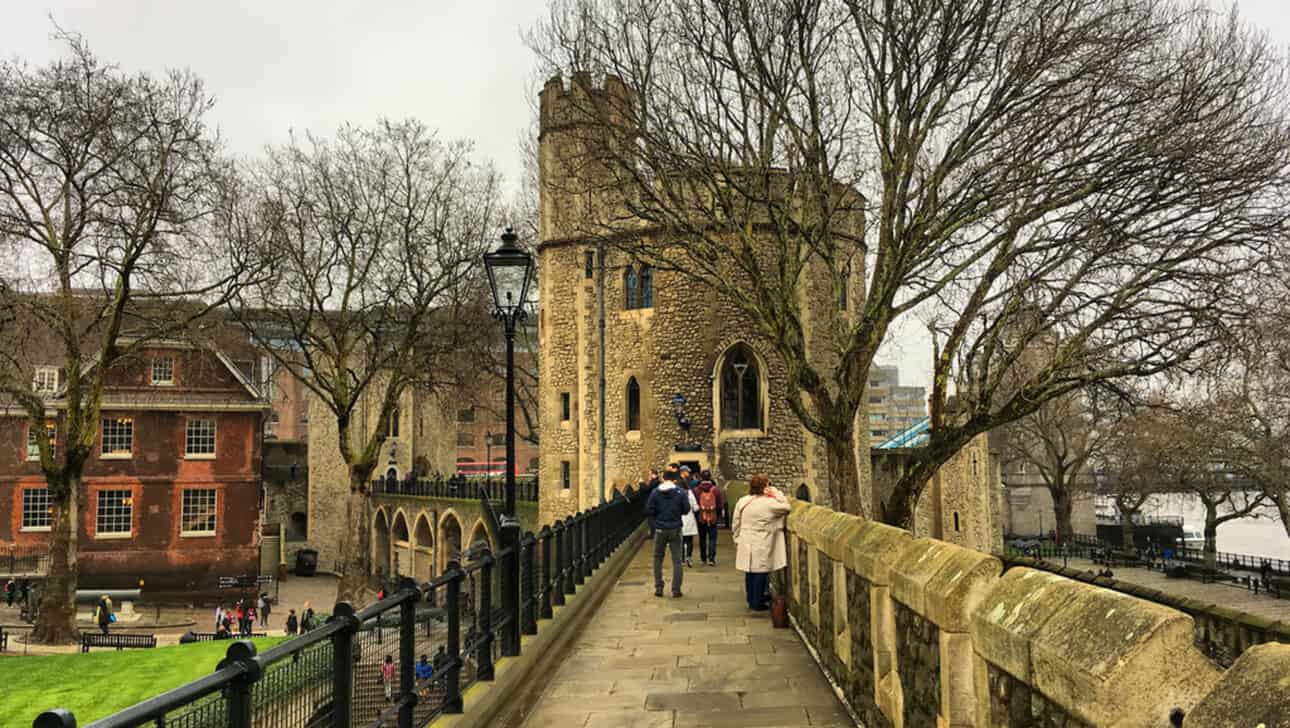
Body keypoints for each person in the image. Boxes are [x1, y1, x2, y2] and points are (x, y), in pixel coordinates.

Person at [733, 474, 791, 611]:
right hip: (762, 539)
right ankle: (756, 602)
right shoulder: (769, 503)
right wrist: (775, 492)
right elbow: (786, 507)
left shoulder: (743, 501)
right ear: (765, 487)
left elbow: (736, 522)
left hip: (746, 538)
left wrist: (736, 538)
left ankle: (750, 597)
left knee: (749, 570)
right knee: (760, 570)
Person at [645, 470, 691, 598]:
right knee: (677, 560)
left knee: (657, 558)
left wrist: (656, 519)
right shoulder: (680, 492)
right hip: (675, 528)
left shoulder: (655, 493)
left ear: (663, 478)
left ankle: (658, 587)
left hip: (660, 528)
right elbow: (686, 509)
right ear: (674, 479)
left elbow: (649, 509)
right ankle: (676, 589)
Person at [694, 472, 724, 566]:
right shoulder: (715, 490)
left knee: (702, 538)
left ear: (701, 478)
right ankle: (711, 558)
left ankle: (703, 559)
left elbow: (694, 504)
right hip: (713, 516)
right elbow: (719, 504)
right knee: (712, 538)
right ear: (710, 477)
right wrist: (717, 514)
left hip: (701, 517)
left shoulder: (696, 490)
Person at [679, 467, 699, 567]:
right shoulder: (690, 493)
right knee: (689, 540)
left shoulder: (676, 494)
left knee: (681, 540)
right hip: (689, 518)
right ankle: (689, 557)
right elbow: (695, 507)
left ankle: (681, 558)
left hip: (679, 519)